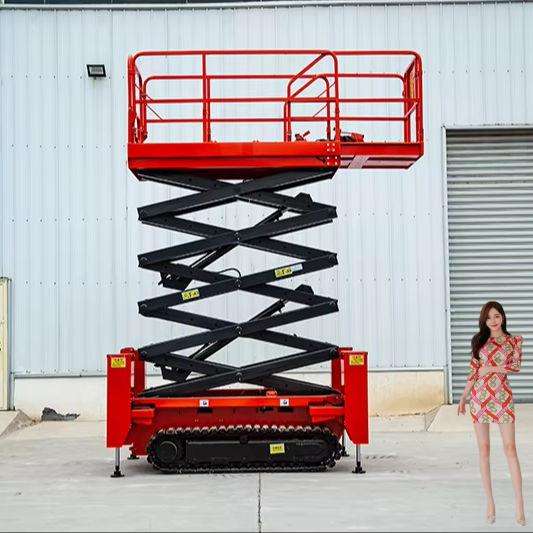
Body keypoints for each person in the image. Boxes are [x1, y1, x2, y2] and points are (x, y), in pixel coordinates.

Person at [457, 301, 526, 526]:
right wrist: (464, 396)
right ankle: (490, 503)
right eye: (488, 318)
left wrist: (491, 368)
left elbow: (515, 366)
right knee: (484, 449)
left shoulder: (513, 341)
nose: (493, 321)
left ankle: (519, 504)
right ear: (484, 321)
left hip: (503, 398)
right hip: (480, 399)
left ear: (502, 317)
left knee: (510, 448)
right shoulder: (479, 341)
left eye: (496, 316)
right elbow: (474, 371)